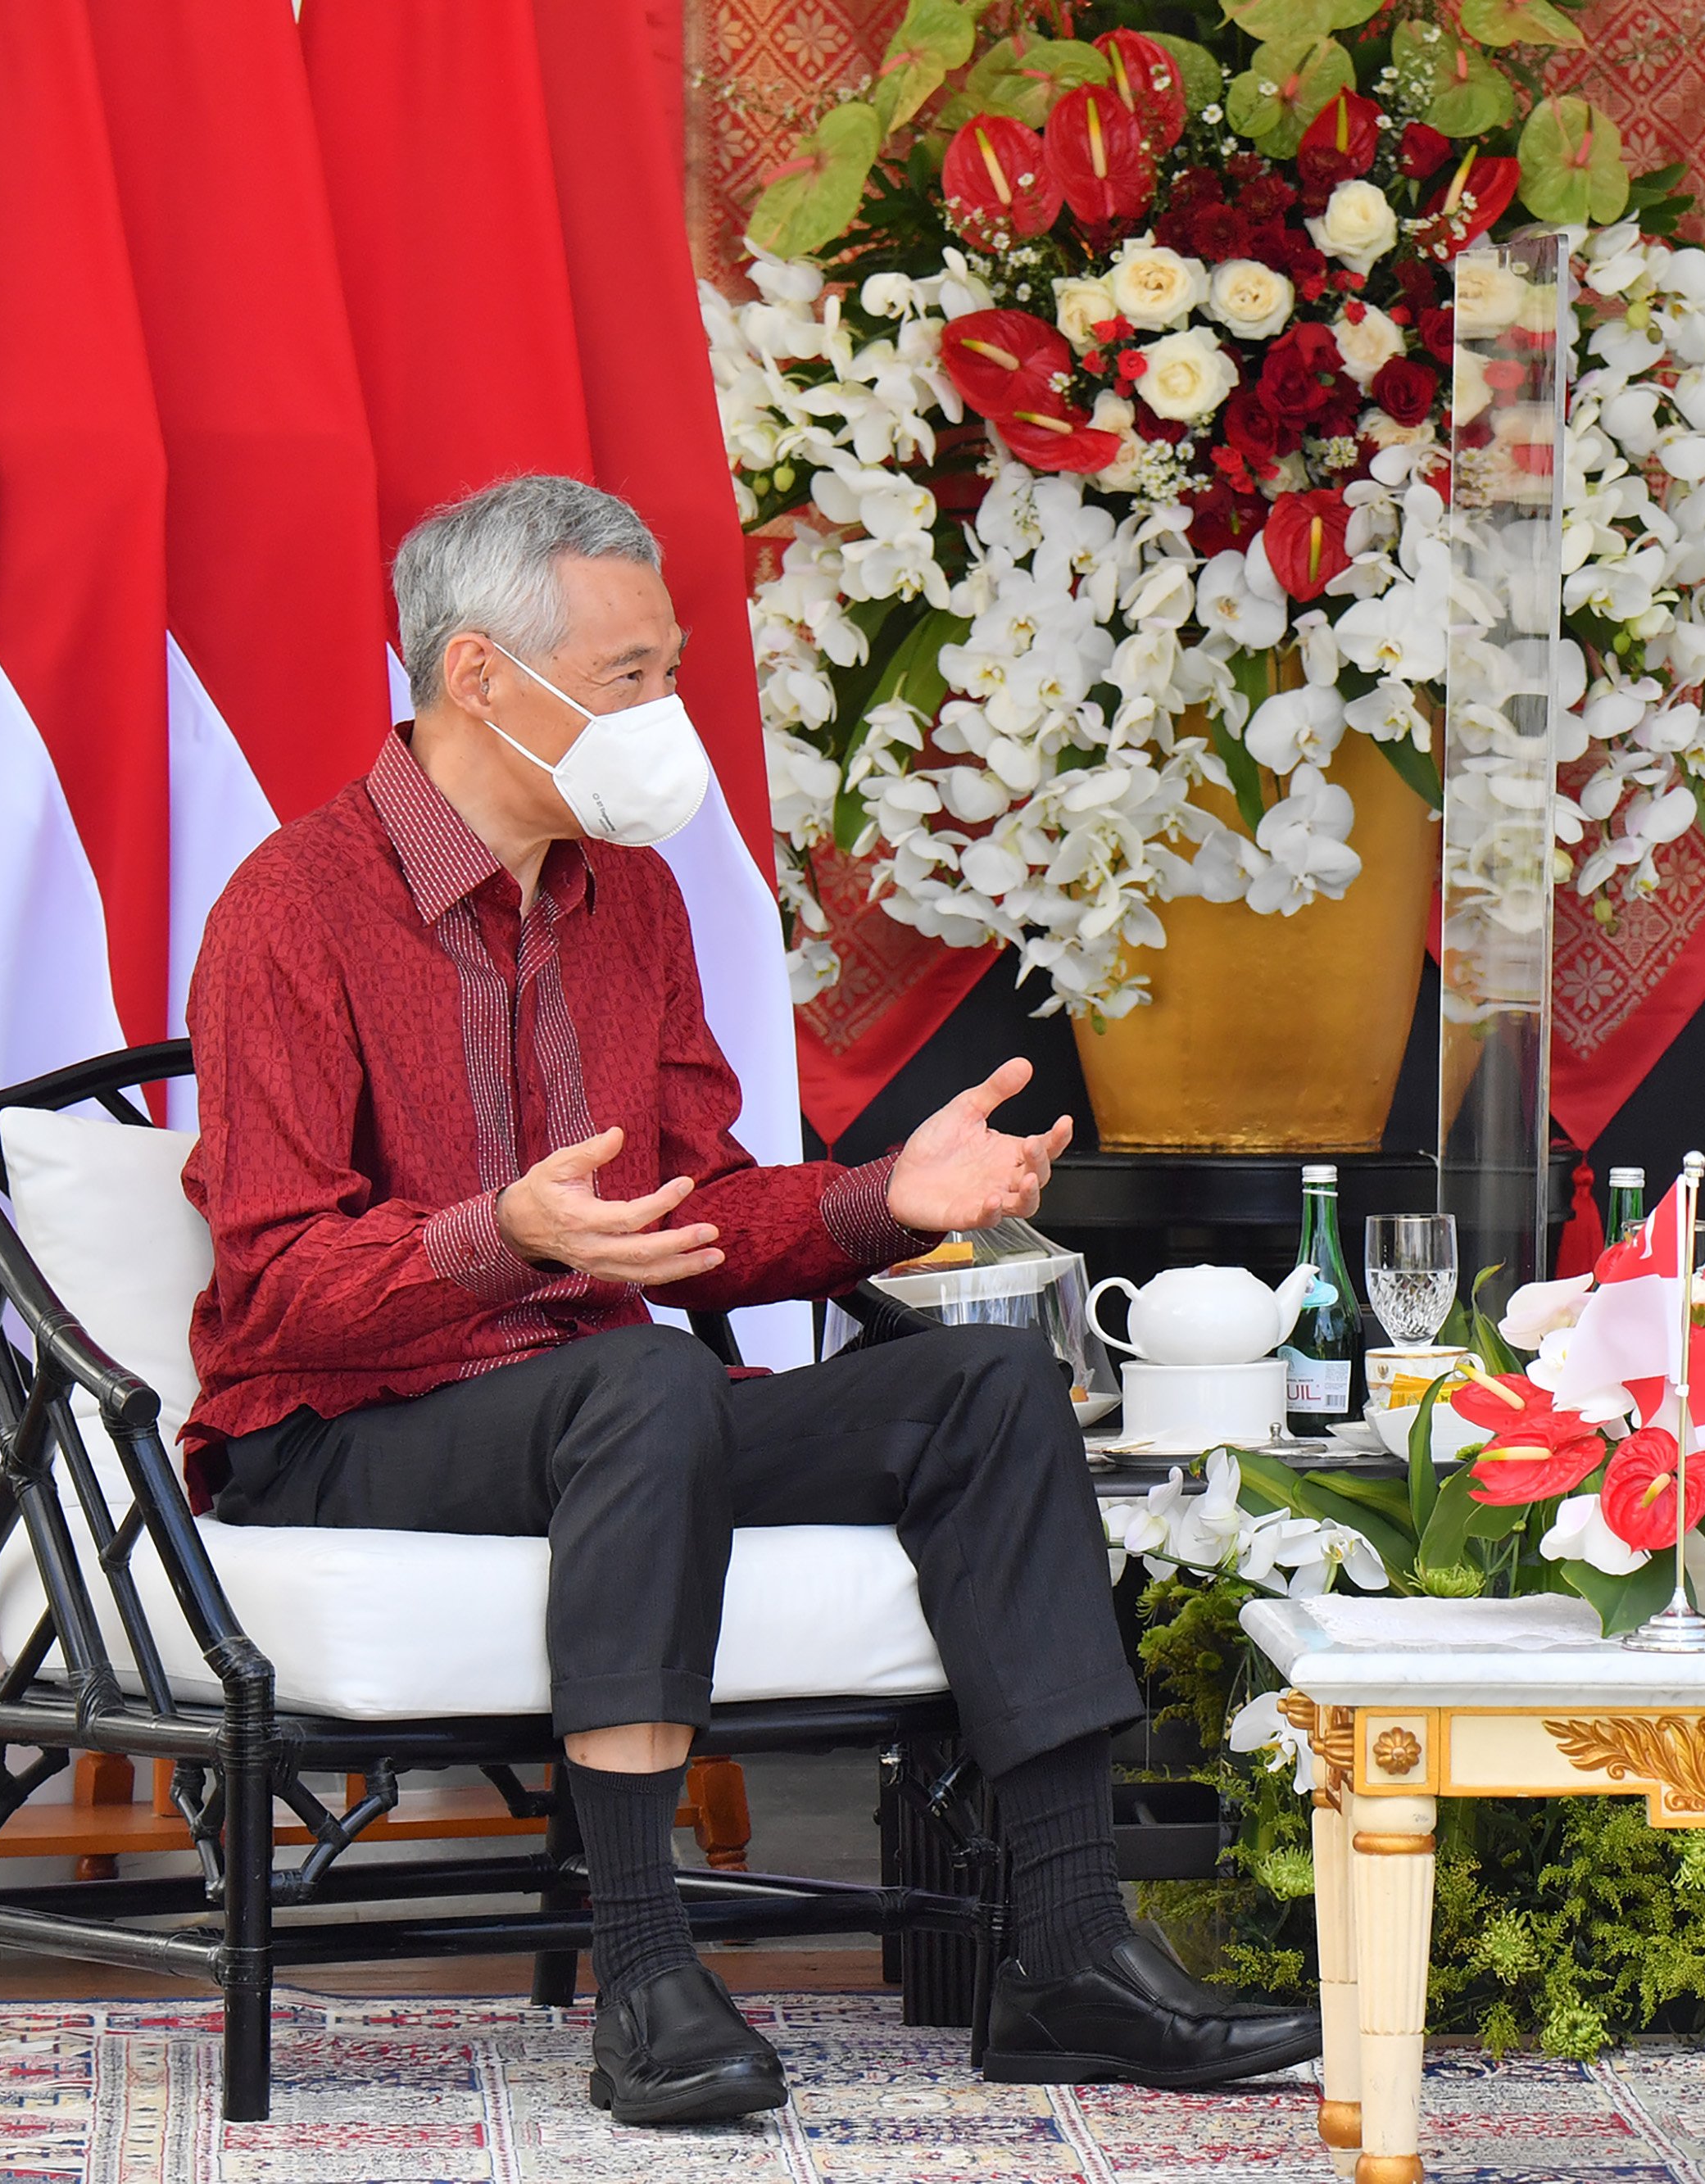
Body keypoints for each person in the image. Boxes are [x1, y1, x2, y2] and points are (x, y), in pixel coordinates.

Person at [181, 474, 1321, 2127]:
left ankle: (1066, 1953)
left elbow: (703, 1210)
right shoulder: (290, 910)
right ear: (481, 674)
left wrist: (881, 1204)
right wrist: (505, 1232)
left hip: (602, 1423)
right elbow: (278, 1290)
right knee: (639, 1386)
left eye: (670, 667)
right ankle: (646, 1972)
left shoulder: (625, 899)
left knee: (986, 1388)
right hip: (349, 1427)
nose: (667, 710)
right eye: (631, 672)